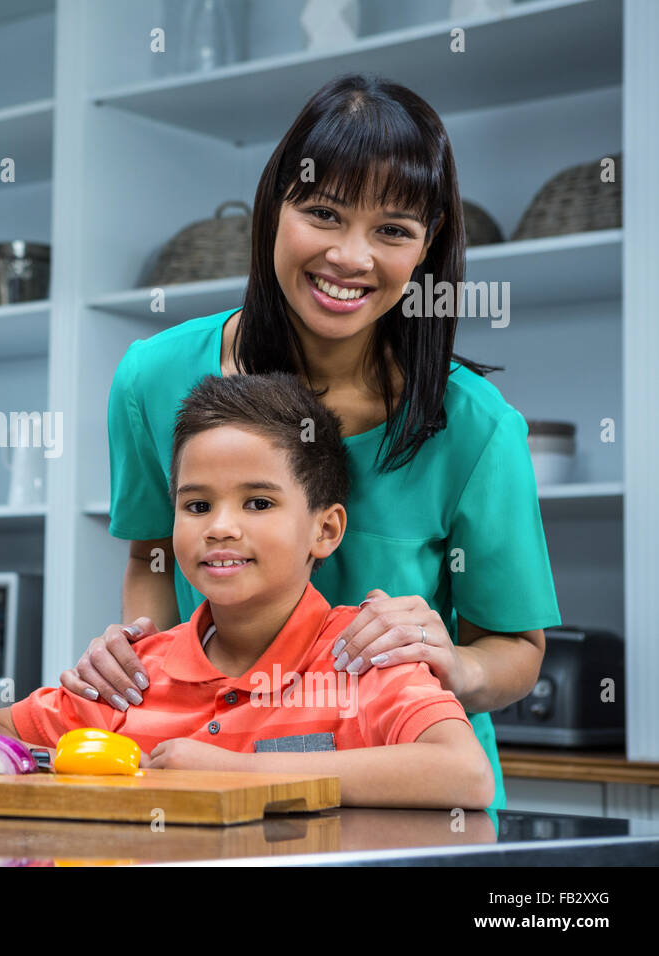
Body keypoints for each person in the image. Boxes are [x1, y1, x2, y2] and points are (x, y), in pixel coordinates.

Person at [57, 73, 559, 811]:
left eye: (392, 230)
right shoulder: (153, 380)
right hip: (216, 784)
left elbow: (517, 650)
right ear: (273, 212)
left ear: (428, 247)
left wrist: (450, 661)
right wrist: (144, 667)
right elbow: (151, 556)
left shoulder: (477, 426)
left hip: (407, 795)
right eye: (323, 214)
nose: (350, 258)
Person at [0, 372, 494, 809]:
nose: (219, 527)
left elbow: (463, 776)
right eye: (197, 506)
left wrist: (237, 772)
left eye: (258, 503)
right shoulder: (133, 673)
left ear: (325, 530)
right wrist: (89, 768)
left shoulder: (365, 654)